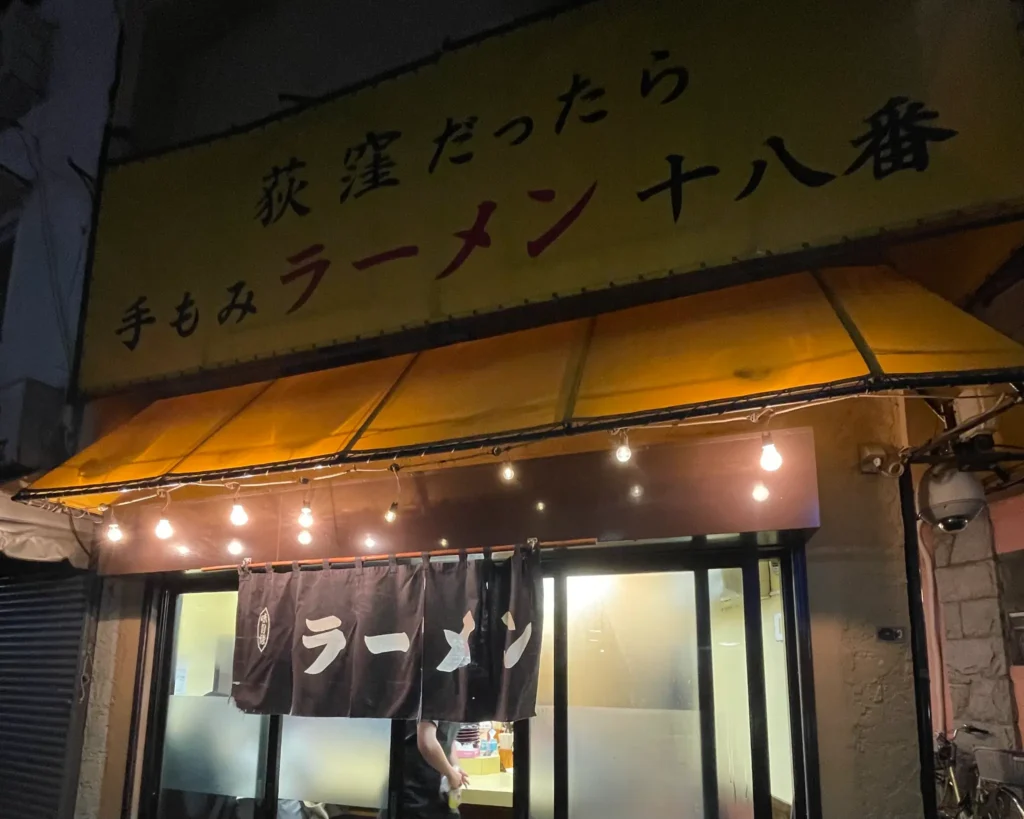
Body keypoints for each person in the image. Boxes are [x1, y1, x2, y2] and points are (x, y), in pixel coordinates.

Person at [399, 720, 470, 819]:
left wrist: (455, 768)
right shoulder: (433, 704)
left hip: (436, 795)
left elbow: (448, 739)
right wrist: (450, 773)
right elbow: (427, 742)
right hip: (415, 792)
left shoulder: (452, 706)